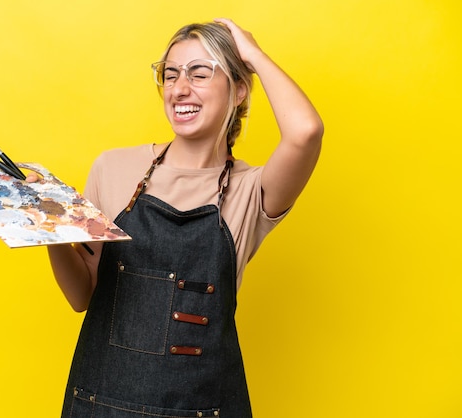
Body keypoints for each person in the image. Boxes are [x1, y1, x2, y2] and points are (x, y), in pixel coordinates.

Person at [42, 17, 323, 417]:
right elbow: (80, 294)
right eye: (170, 74)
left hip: (202, 407)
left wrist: (253, 55)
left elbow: (306, 131)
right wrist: (48, 231)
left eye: (200, 73)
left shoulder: (251, 191)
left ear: (239, 90)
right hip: (102, 405)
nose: (180, 88)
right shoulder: (113, 168)